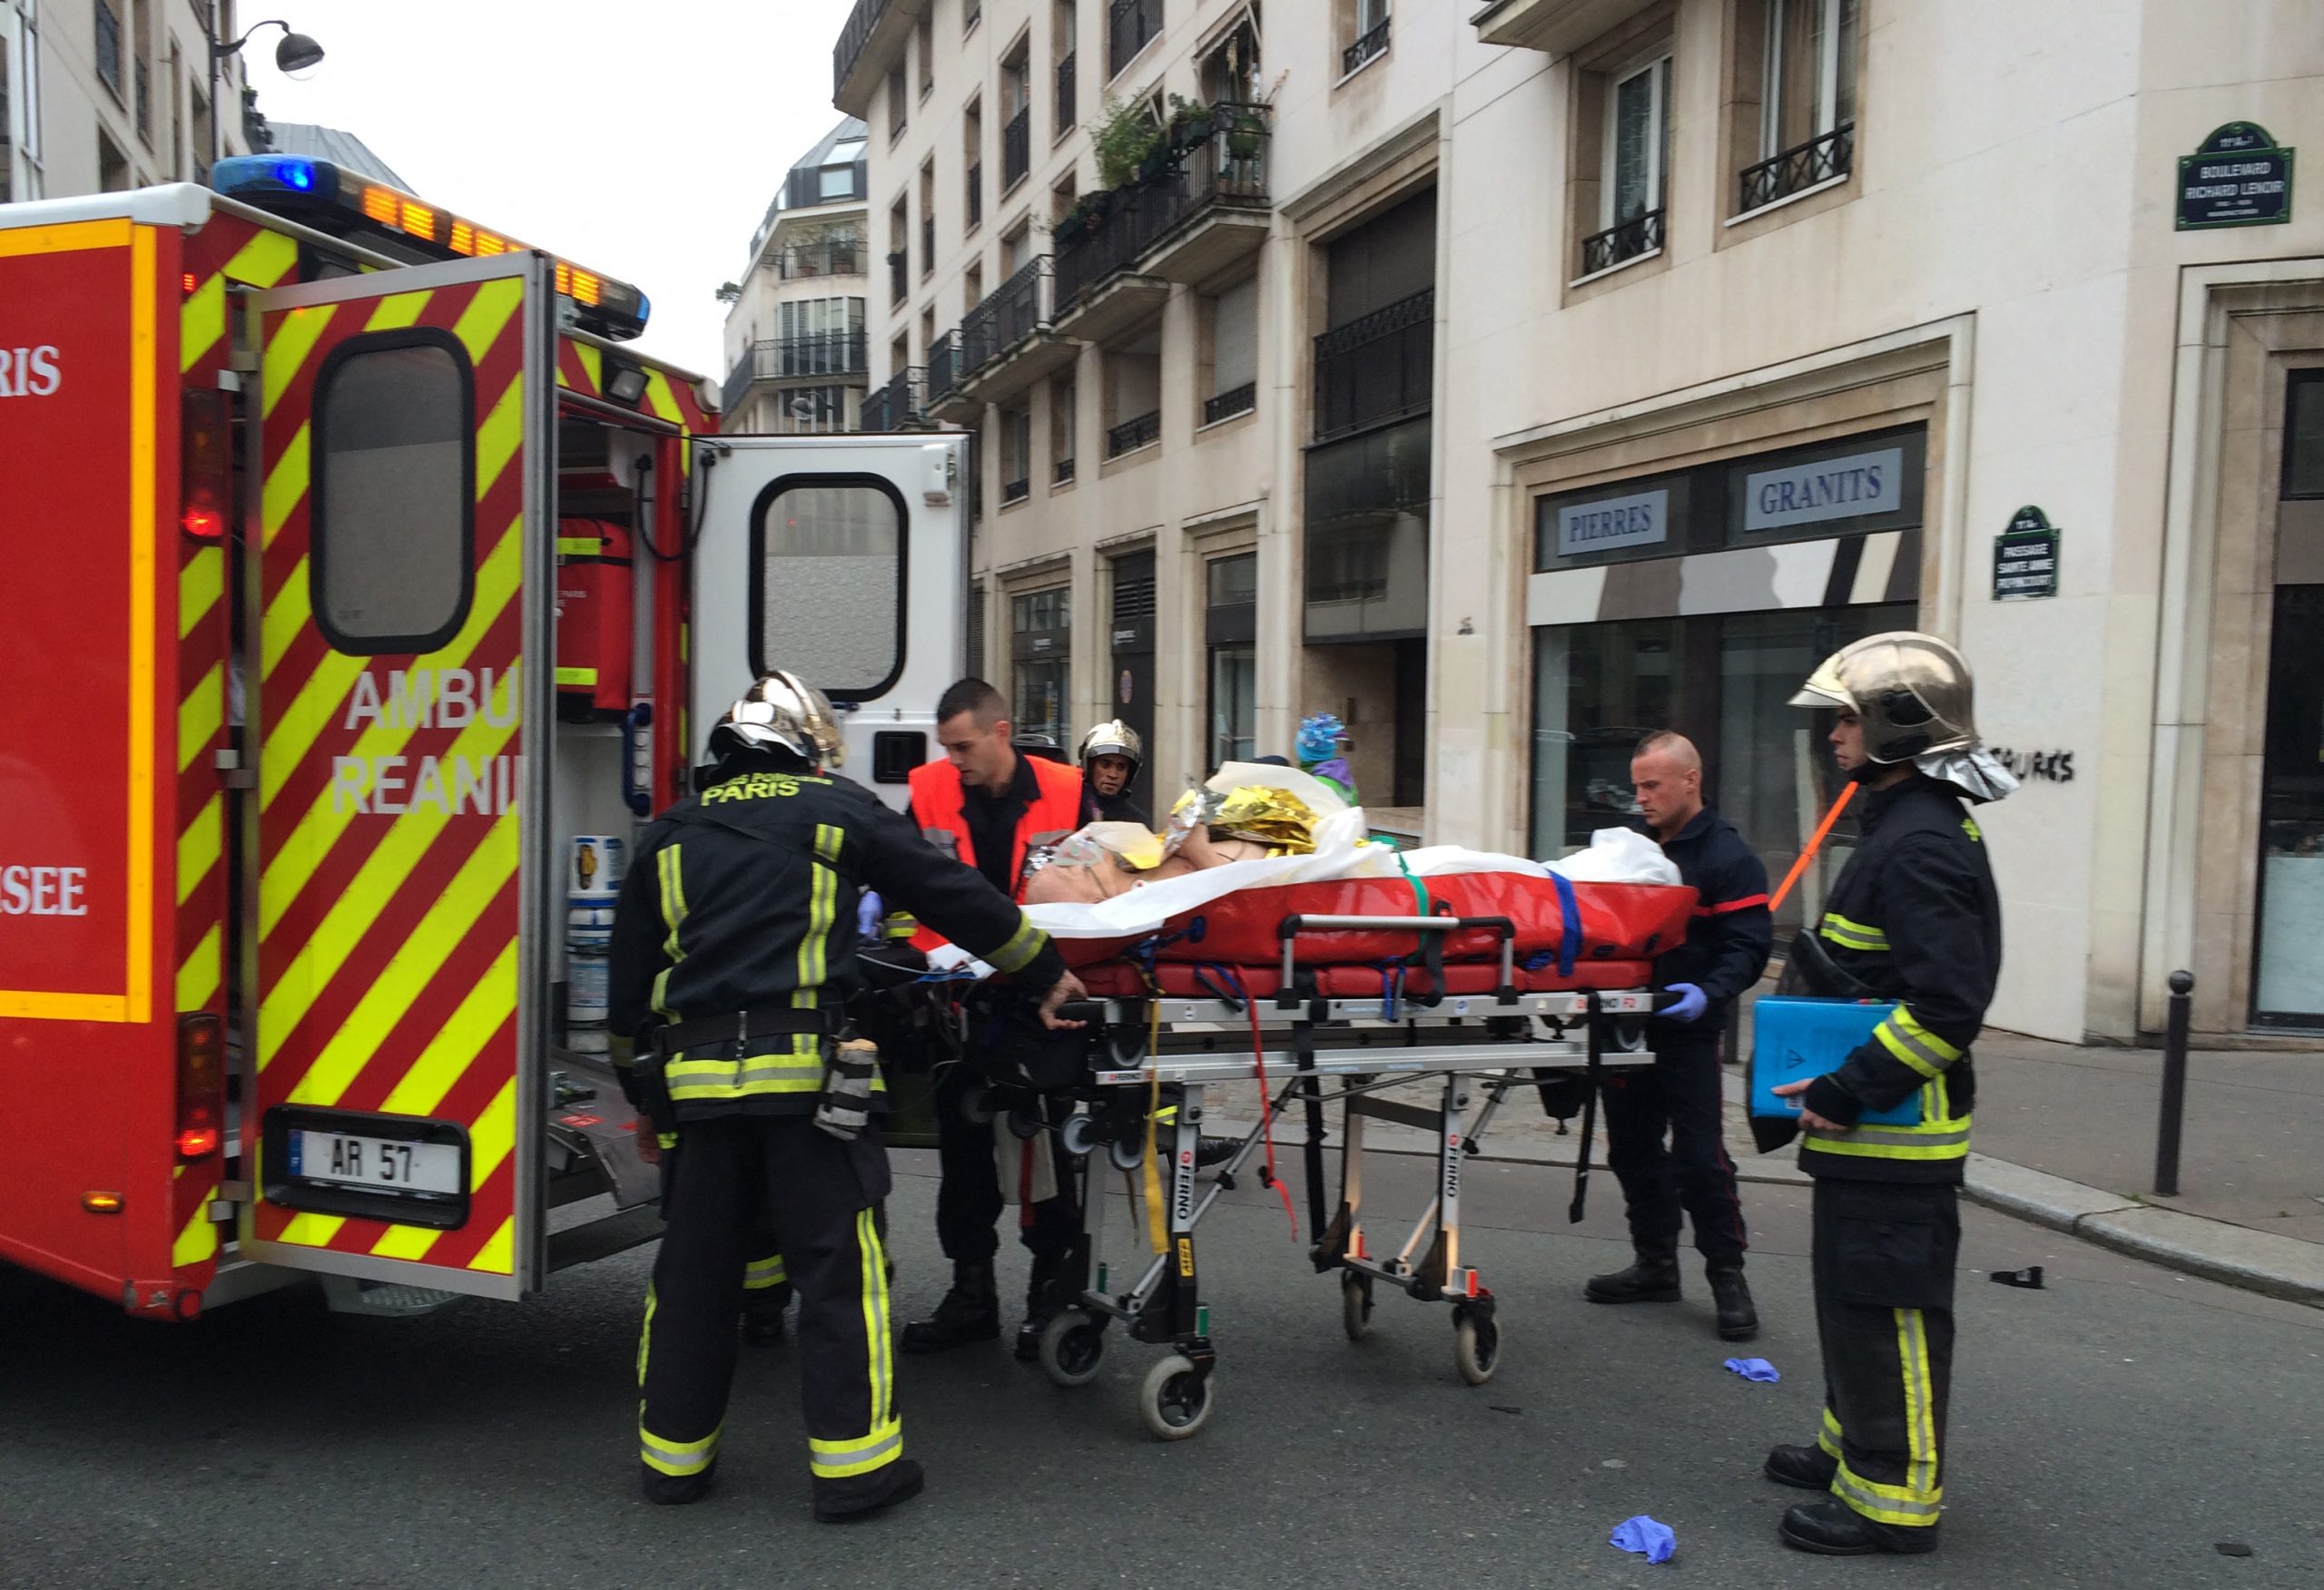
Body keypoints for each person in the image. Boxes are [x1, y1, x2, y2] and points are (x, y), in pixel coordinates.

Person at [608, 671, 1085, 1522]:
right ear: (805, 748)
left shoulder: (670, 834)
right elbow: (954, 898)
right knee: (839, 1272)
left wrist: (646, 1100)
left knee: (692, 1278)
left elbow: (625, 993)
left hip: (698, 1091)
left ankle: (673, 1466)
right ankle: (856, 1472)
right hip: (806, 1088)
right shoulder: (836, 810)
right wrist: (1043, 970)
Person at [1762, 633, 2009, 1557]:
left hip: (1894, 1134)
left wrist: (1844, 1084)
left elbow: (1949, 1006)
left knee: (1891, 1312)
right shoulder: (1903, 821)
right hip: (1868, 1130)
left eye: (1849, 718)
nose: (1833, 733)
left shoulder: (1917, 843)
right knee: (1851, 1300)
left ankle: (1893, 1502)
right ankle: (1853, 1450)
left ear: (1899, 727)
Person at [901, 678, 1088, 1357]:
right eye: (947, 747)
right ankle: (972, 1296)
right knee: (964, 1159)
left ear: (1001, 731)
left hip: (1046, 999)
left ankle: (1050, 1297)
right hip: (959, 1005)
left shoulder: (1071, 791)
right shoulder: (926, 790)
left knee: (1052, 1157)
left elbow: (1110, 881)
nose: (955, 760)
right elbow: (899, 883)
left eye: (965, 745)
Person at [1585, 731, 1772, 1340]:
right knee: (1632, 1151)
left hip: (1688, 1030)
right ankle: (1656, 1266)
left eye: (1652, 785)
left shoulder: (1726, 857)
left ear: (1690, 780)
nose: (1640, 797)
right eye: (1636, 785)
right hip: (1627, 1024)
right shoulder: (1630, 853)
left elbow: (1747, 946)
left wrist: (1710, 993)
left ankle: (1727, 1275)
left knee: (1700, 1159)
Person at [1077, 720, 1149, 827]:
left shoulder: (1137, 823)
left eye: (1121, 767)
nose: (1113, 774)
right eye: (1105, 765)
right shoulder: (1069, 810)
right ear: (1090, 767)